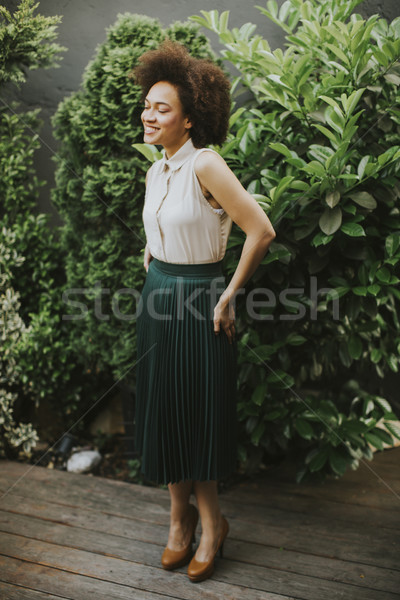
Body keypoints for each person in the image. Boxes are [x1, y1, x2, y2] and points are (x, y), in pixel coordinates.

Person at [131, 39, 275, 583]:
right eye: (147, 105)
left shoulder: (205, 164)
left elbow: (260, 230)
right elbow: (165, 226)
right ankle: (177, 518)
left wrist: (228, 293)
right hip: (158, 301)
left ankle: (212, 523)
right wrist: (154, 248)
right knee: (165, 408)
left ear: (189, 120)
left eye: (161, 107)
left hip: (200, 304)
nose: (149, 113)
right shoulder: (157, 170)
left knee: (199, 415)